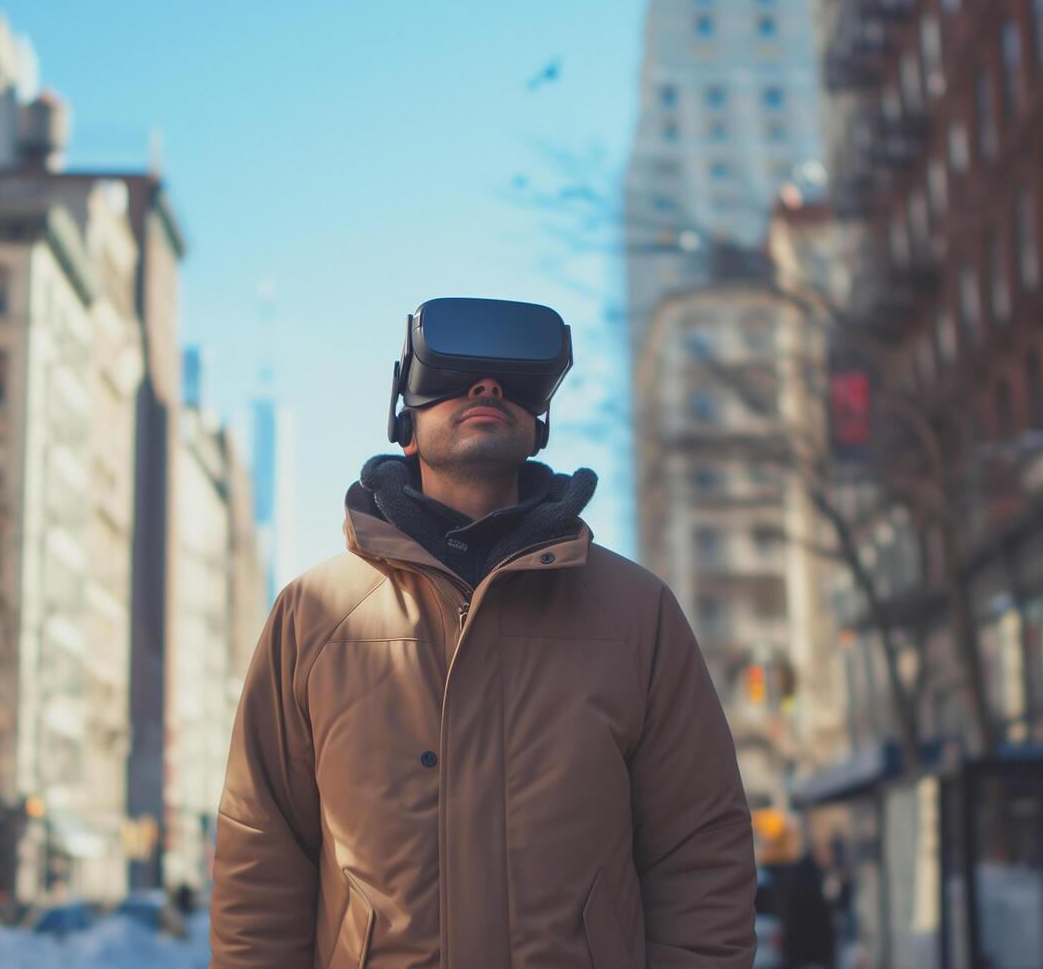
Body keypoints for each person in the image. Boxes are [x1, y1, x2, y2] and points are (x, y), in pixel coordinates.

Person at [212, 299, 758, 967]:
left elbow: (699, 851)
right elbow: (259, 854)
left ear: (540, 422)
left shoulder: (637, 614)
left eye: (510, 378)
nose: (486, 387)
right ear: (403, 419)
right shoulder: (315, 615)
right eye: (454, 372)